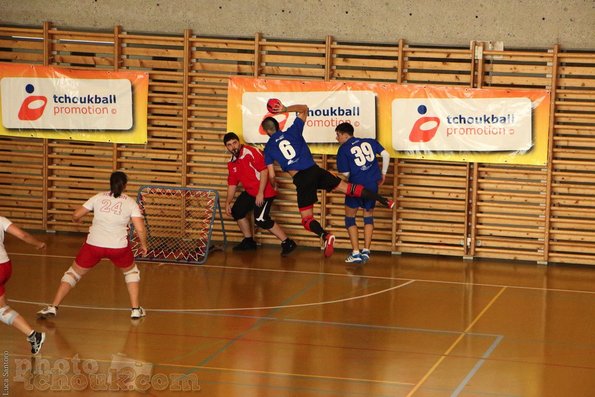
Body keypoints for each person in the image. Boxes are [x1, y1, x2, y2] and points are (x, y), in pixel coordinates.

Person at [261, 101, 394, 258]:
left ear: (265, 131)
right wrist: (285, 109)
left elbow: (271, 175)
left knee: (307, 220)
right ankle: (384, 200)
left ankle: (325, 235)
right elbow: (304, 108)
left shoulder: (268, 149)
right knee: (348, 188)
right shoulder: (292, 131)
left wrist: (273, 186)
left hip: (301, 179)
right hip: (315, 170)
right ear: (278, 125)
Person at [37, 171, 148, 320]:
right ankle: (135, 309)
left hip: (94, 245)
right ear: (125, 185)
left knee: (73, 274)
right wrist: (143, 245)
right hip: (118, 247)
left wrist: (76, 220)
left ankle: (53, 307)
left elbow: (76, 215)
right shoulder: (130, 202)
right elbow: (140, 228)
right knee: (131, 272)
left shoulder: (98, 197)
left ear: (110, 183)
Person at [223, 132, 297, 256]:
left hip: (265, 191)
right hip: (250, 192)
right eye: (229, 145)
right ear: (227, 147)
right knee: (237, 211)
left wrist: (260, 193)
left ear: (239, 142)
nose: (233, 147)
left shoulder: (251, 152)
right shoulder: (232, 162)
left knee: (261, 219)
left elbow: (264, 171)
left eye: (234, 143)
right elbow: (232, 184)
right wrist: (227, 202)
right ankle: (249, 242)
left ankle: (287, 242)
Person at [335, 122, 390, 264]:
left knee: (350, 218)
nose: (337, 138)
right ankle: (366, 250)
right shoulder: (370, 142)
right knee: (368, 216)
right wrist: (383, 173)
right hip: (372, 185)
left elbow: (346, 173)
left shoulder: (343, 149)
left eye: (338, 135)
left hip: (356, 187)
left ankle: (355, 252)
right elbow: (386, 154)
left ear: (345, 134)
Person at [0, 218, 46, 354]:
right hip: (5, 266)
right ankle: (33, 335)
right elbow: (22, 235)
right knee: (1, 308)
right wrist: (39, 244)